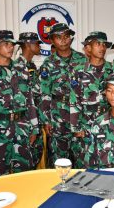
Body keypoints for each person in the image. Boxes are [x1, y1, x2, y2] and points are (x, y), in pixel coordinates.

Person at [0, 30, 39, 176]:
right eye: (5, 44)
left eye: (12, 44)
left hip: (21, 129)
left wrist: (34, 127)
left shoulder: (21, 69)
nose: (11, 47)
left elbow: (30, 99)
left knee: (24, 173)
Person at [38, 23, 87, 168]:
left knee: (82, 157)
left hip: (80, 116)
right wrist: (46, 120)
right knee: (59, 160)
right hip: (58, 117)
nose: (63, 40)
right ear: (52, 41)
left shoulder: (83, 60)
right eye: (58, 37)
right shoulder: (48, 64)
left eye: (66, 36)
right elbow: (44, 93)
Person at [77, 31, 114, 134]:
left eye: (104, 45)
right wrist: (76, 127)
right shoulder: (78, 71)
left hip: (109, 122)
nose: (102, 48)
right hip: (85, 123)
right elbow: (74, 100)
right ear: (88, 47)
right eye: (98, 44)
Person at [15, 32, 43, 167]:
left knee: (36, 155)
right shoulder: (17, 67)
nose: (39, 46)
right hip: (25, 122)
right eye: (37, 43)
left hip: (36, 119)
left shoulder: (31, 66)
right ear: (27, 44)